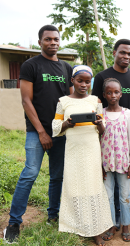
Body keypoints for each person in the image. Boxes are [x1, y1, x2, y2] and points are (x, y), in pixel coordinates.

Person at [3, 25, 73, 243]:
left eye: (56, 39)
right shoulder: (31, 65)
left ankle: (53, 215)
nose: (53, 42)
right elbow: (26, 100)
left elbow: (70, 101)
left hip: (61, 132)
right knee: (30, 173)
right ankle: (14, 222)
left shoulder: (66, 68)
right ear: (40, 41)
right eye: (48, 39)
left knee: (57, 176)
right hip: (37, 131)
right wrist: (42, 132)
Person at [52, 65, 112, 246]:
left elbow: (102, 130)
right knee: (75, 186)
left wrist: (99, 123)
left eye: (87, 81)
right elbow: (55, 126)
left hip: (91, 150)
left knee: (93, 186)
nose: (84, 84)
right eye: (80, 80)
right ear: (72, 81)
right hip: (73, 150)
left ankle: (95, 230)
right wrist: (67, 124)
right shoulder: (63, 101)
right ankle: (76, 225)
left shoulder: (96, 101)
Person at [92, 39, 130, 224]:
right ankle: (116, 210)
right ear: (114, 52)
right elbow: (96, 104)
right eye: (123, 52)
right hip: (109, 136)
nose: (126, 56)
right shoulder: (102, 76)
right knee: (114, 174)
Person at [100, 78, 130, 242]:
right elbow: (98, 138)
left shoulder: (127, 113)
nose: (112, 95)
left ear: (121, 94)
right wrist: (99, 164)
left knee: (125, 195)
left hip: (123, 163)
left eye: (116, 92)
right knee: (107, 195)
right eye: (109, 92)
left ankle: (125, 226)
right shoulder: (101, 113)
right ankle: (111, 225)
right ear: (104, 94)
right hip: (106, 162)